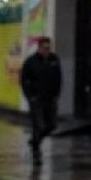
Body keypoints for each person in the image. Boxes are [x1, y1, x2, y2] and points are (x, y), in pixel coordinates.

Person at [21, 36, 61, 166]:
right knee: (39, 125)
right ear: (39, 48)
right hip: (37, 99)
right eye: (44, 48)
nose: (47, 51)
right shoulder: (31, 62)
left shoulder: (54, 60)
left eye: (48, 48)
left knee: (51, 125)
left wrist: (56, 94)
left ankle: (34, 141)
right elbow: (24, 80)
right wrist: (30, 96)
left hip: (50, 99)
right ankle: (36, 152)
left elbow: (58, 78)